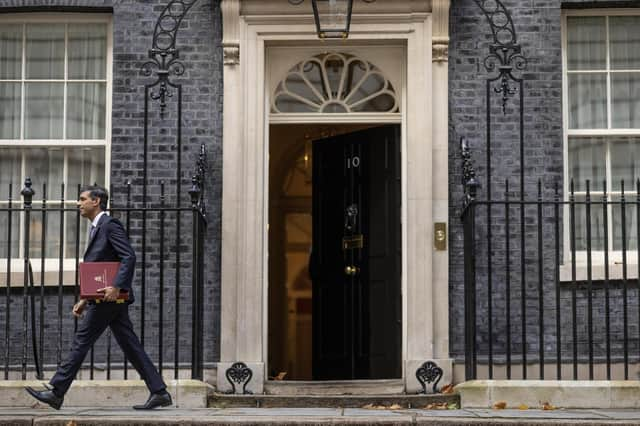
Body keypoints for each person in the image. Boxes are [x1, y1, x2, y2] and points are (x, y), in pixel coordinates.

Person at [25, 185, 172, 410]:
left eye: (82, 199)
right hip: (105, 298)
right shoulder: (97, 227)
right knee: (130, 345)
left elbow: (128, 257)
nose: (78, 203)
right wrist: (85, 298)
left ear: (96, 202)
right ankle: (159, 391)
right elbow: (100, 269)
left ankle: (56, 391)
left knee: (81, 341)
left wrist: (116, 286)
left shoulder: (109, 224)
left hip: (109, 298)